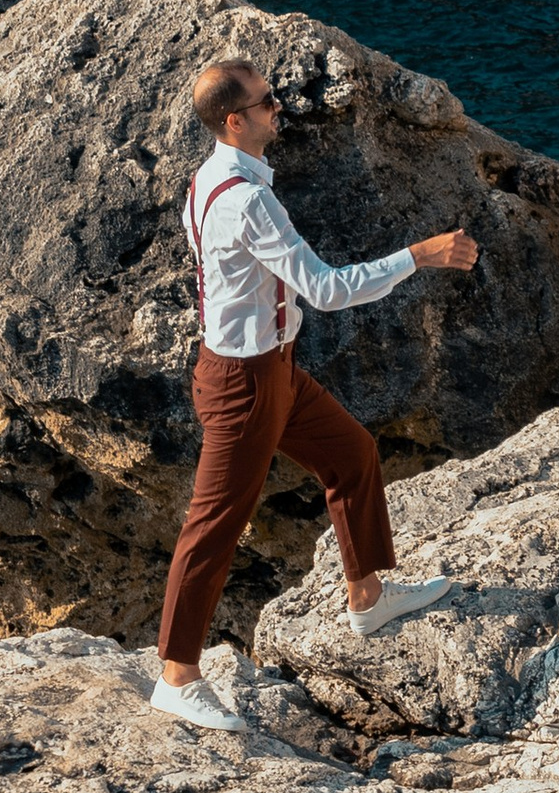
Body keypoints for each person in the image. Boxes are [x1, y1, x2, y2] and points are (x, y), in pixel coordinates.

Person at [152, 53, 479, 732]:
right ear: (234, 120)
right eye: (267, 102)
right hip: (244, 382)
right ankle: (176, 678)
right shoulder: (247, 200)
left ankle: (368, 597)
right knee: (214, 526)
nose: (280, 109)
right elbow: (326, 289)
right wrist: (419, 255)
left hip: (268, 367)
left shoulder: (208, 179)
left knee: (352, 454)